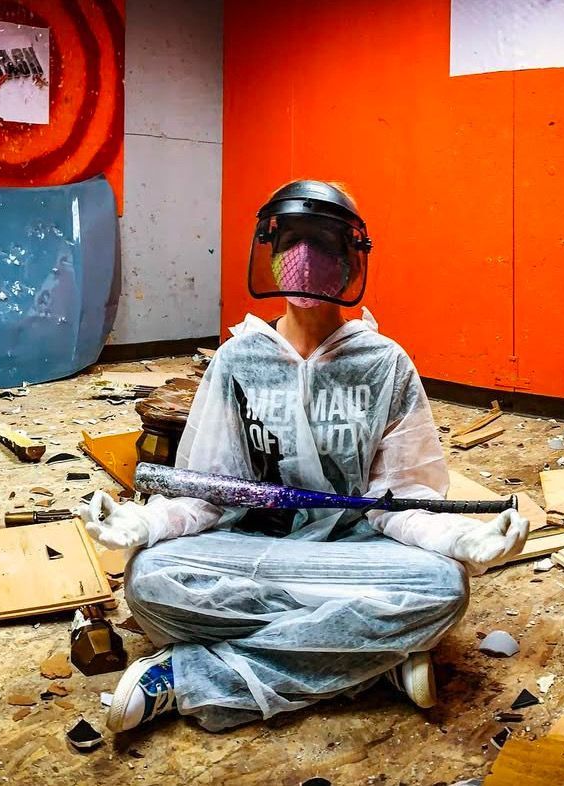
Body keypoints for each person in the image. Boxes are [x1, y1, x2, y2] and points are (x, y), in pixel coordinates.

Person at [80, 180, 528, 735]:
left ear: (350, 262)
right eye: (293, 242)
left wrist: (461, 540)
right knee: (148, 580)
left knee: (442, 590)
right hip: (249, 552)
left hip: (354, 557)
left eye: (326, 245)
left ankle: (192, 675)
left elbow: (399, 501)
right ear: (270, 255)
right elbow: (209, 494)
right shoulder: (237, 360)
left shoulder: (384, 364)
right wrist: (143, 521)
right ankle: (373, 659)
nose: (307, 260)